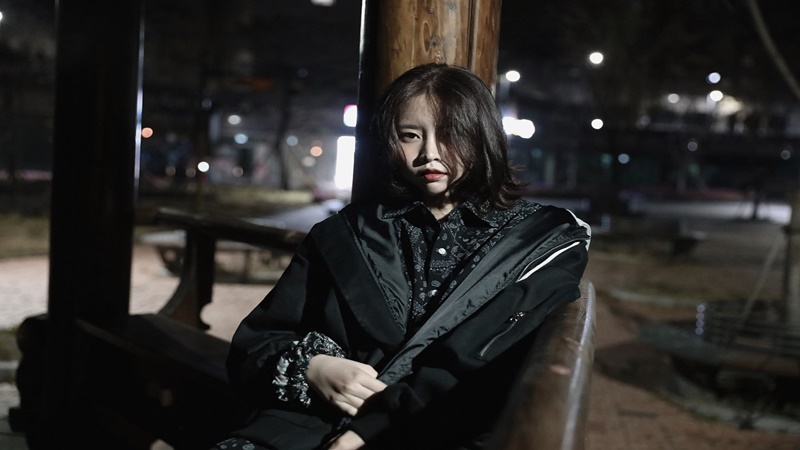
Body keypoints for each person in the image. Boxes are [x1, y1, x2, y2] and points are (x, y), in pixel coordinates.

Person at [211, 63, 591, 450]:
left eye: (449, 133)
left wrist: (367, 432)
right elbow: (255, 344)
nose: (428, 153)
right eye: (410, 135)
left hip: (440, 432)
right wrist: (315, 367)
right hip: (308, 425)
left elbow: (482, 366)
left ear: (482, 135)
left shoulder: (542, 237)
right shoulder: (346, 231)